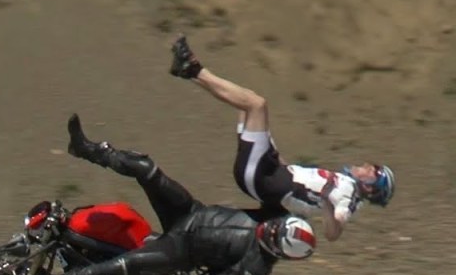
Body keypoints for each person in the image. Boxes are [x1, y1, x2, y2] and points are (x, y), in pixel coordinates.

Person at [20, 114, 318, 275]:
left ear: (279, 251)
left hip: (181, 250)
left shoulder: (257, 266)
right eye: (278, 226)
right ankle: (85, 149)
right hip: (190, 213)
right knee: (147, 168)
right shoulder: (279, 214)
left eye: (275, 237)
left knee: (122, 265)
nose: (271, 229)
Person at [167, 34, 395, 241]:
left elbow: (332, 233)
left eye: (373, 170)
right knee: (246, 105)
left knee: (256, 105)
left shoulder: (347, 194)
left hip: (264, 179)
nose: (367, 165)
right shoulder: (345, 186)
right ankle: (189, 72)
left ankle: (193, 68)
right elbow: (301, 183)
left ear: (371, 189)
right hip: (271, 171)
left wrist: (328, 205)